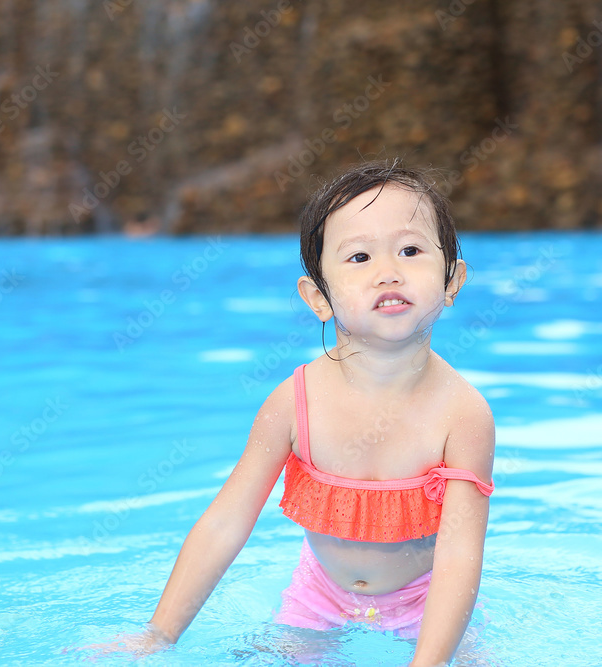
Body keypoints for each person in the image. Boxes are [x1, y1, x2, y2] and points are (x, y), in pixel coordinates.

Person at [96, 160, 496, 666]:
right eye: (358, 257)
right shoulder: (294, 402)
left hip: (427, 603)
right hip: (318, 599)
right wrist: (158, 635)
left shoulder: (463, 415)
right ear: (318, 298)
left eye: (411, 250)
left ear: (452, 280)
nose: (388, 271)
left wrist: (429, 663)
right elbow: (227, 522)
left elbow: (461, 556)